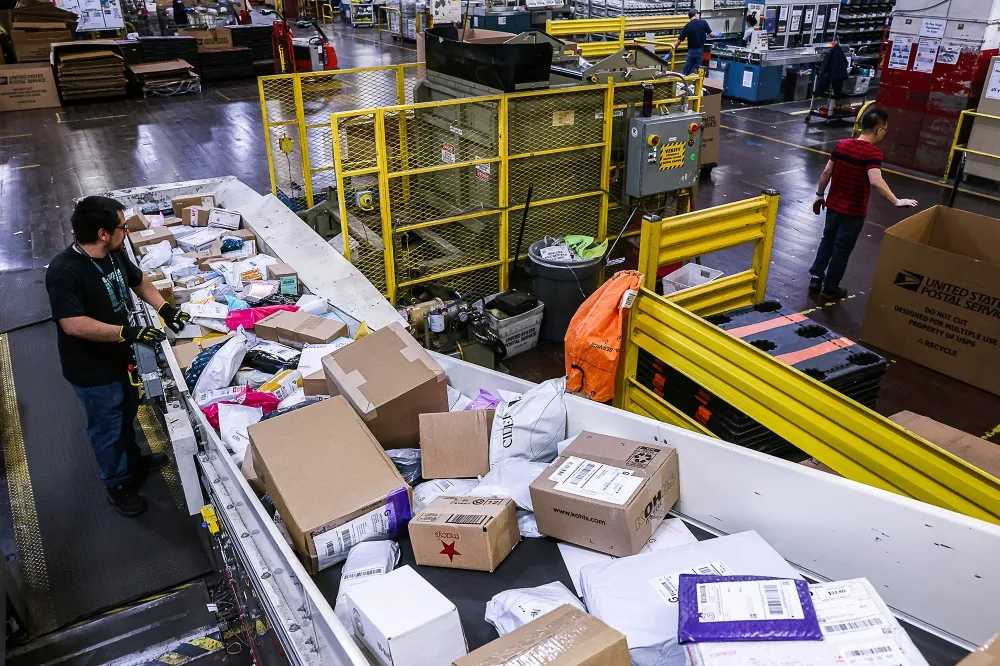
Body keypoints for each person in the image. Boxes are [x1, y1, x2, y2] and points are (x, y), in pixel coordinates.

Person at [45, 196, 190, 516]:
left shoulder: (113, 253)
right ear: (102, 233)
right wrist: (125, 333)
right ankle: (117, 484)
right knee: (106, 427)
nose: (125, 232)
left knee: (126, 413)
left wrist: (164, 307)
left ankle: (135, 461)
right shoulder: (64, 271)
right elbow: (72, 324)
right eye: (122, 228)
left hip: (118, 356)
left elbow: (137, 281)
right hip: (92, 369)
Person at [809, 109, 918, 300]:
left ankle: (816, 278)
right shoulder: (872, 153)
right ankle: (830, 288)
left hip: (833, 206)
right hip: (853, 212)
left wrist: (819, 195)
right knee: (842, 248)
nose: (885, 133)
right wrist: (896, 201)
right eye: (885, 129)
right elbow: (875, 180)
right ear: (878, 130)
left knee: (827, 240)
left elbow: (827, 172)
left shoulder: (842, 145)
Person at [674, 10, 722, 76]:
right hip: (700, 51)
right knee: (699, 72)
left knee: (685, 71)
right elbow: (711, 34)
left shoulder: (686, 26)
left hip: (691, 52)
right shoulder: (703, 22)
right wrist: (717, 34)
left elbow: (678, 41)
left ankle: (681, 84)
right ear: (696, 15)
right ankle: (696, 85)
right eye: (698, 14)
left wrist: (671, 50)